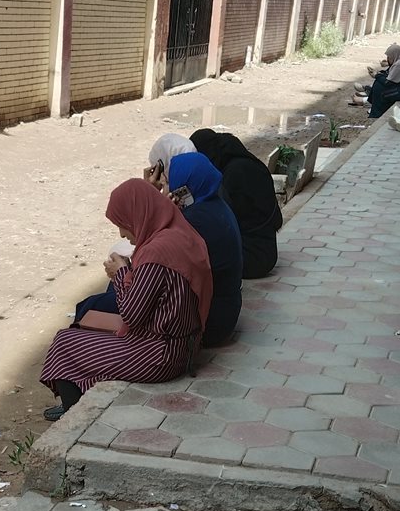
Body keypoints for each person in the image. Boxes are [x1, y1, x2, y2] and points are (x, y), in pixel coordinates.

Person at [39, 179, 211, 420]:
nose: (122, 233)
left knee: (64, 344)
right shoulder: (180, 234)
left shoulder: (156, 253)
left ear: (138, 216)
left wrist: (120, 273)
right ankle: (78, 399)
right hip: (185, 346)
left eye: (123, 224)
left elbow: (131, 315)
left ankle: (75, 416)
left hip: (161, 356)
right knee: (84, 327)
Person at [72, 151, 243, 348]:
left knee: (91, 307)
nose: (162, 183)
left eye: (167, 180)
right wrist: (151, 198)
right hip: (216, 312)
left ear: (184, 191)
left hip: (201, 325)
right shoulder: (210, 206)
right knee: (110, 294)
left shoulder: (189, 225)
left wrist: (121, 274)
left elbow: (134, 312)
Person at [165, 152, 243, 347]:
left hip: (210, 322)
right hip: (226, 312)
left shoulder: (196, 220)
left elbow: (160, 256)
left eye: (168, 181)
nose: (167, 187)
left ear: (183, 189)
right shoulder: (214, 204)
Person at [190, 129, 281, 278]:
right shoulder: (248, 164)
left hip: (251, 258)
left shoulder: (234, 174)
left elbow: (223, 223)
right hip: (266, 252)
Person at [360, 44, 400, 118]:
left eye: (389, 57)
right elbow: (389, 76)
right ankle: (374, 110)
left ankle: (376, 113)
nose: (387, 59)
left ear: (395, 55)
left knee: (383, 94)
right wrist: (378, 74)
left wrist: (376, 75)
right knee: (379, 84)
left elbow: (387, 82)